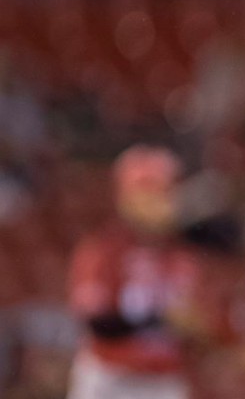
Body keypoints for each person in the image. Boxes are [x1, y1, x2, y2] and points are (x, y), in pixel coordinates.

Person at [66, 144, 227, 399]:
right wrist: (161, 319)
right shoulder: (104, 251)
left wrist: (201, 327)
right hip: (110, 377)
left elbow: (206, 327)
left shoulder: (186, 255)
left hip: (163, 379)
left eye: (166, 192)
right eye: (149, 192)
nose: (162, 201)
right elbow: (99, 324)